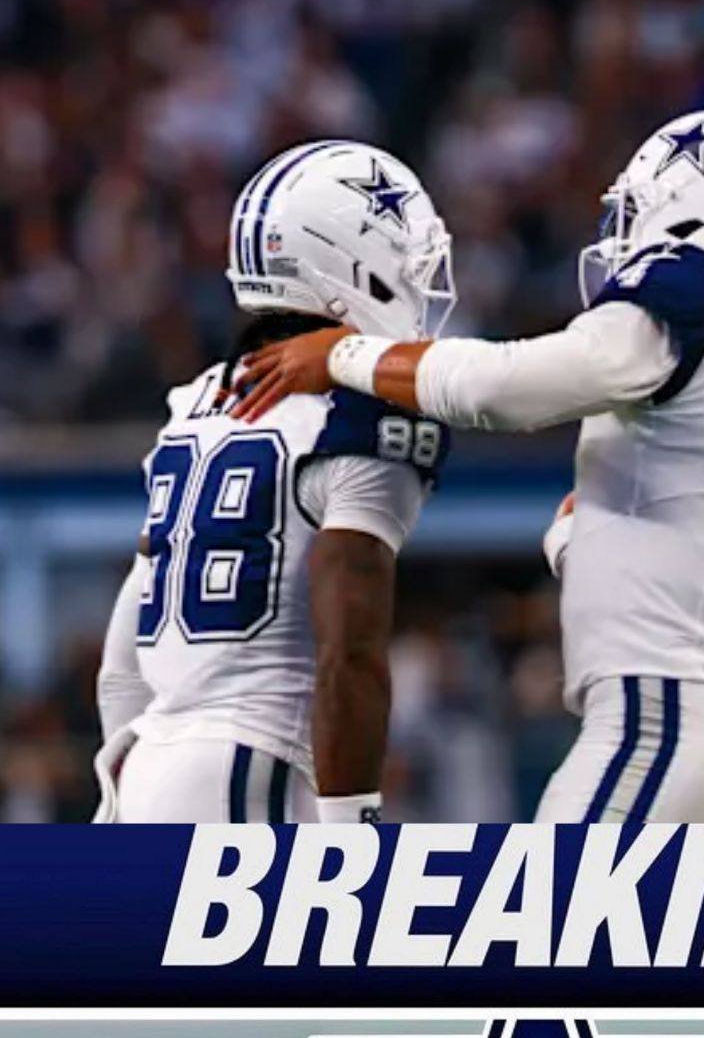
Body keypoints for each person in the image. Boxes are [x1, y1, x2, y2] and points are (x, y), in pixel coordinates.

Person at [231, 110, 704, 822]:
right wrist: (584, 542)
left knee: (540, 903)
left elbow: (506, 388)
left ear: (699, 203)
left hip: (665, 722)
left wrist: (347, 355)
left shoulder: (700, 287)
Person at [92, 140, 454, 823]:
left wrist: (129, 788)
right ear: (350, 265)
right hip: (252, 765)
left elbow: (122, 660)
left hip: (148, 761)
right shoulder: (361, 409)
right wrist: (351, 829)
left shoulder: (197, 400)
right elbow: (350, 648)